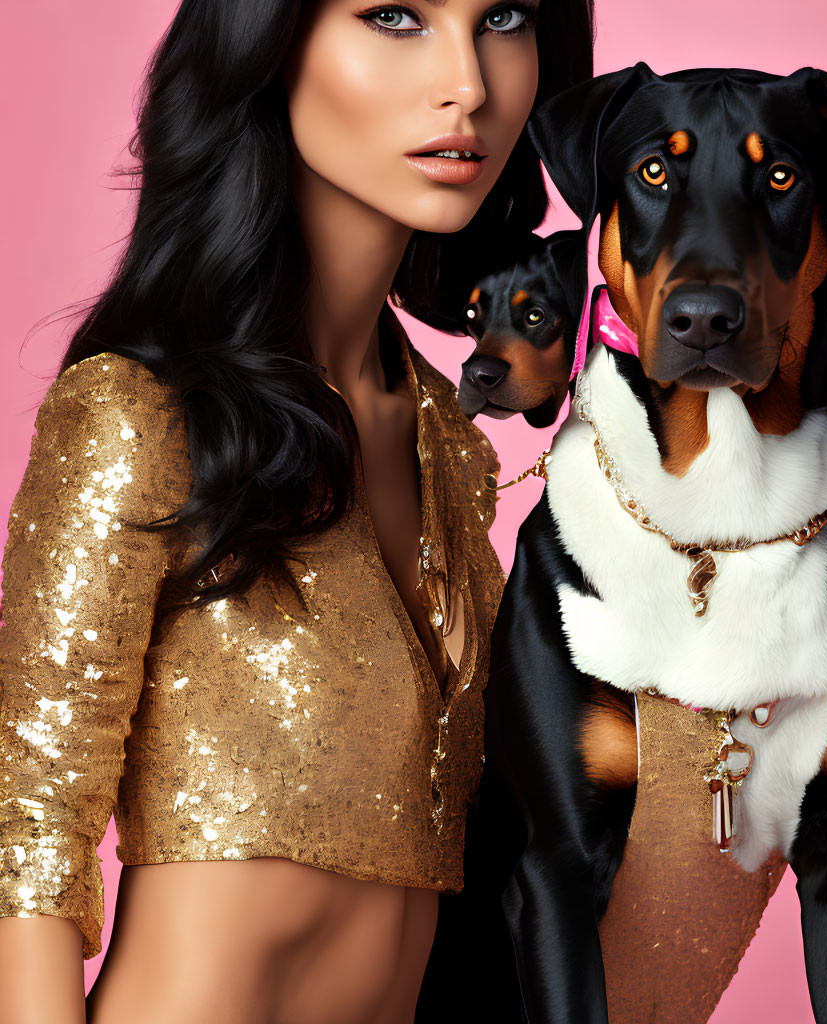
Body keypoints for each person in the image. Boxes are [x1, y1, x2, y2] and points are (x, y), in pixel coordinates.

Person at [0, 1, 595, 1021]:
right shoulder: (142, 414)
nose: (470, 81)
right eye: (394, 16)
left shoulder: (448, 443)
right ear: (266, 44)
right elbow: (27, 827)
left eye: (502, 16)